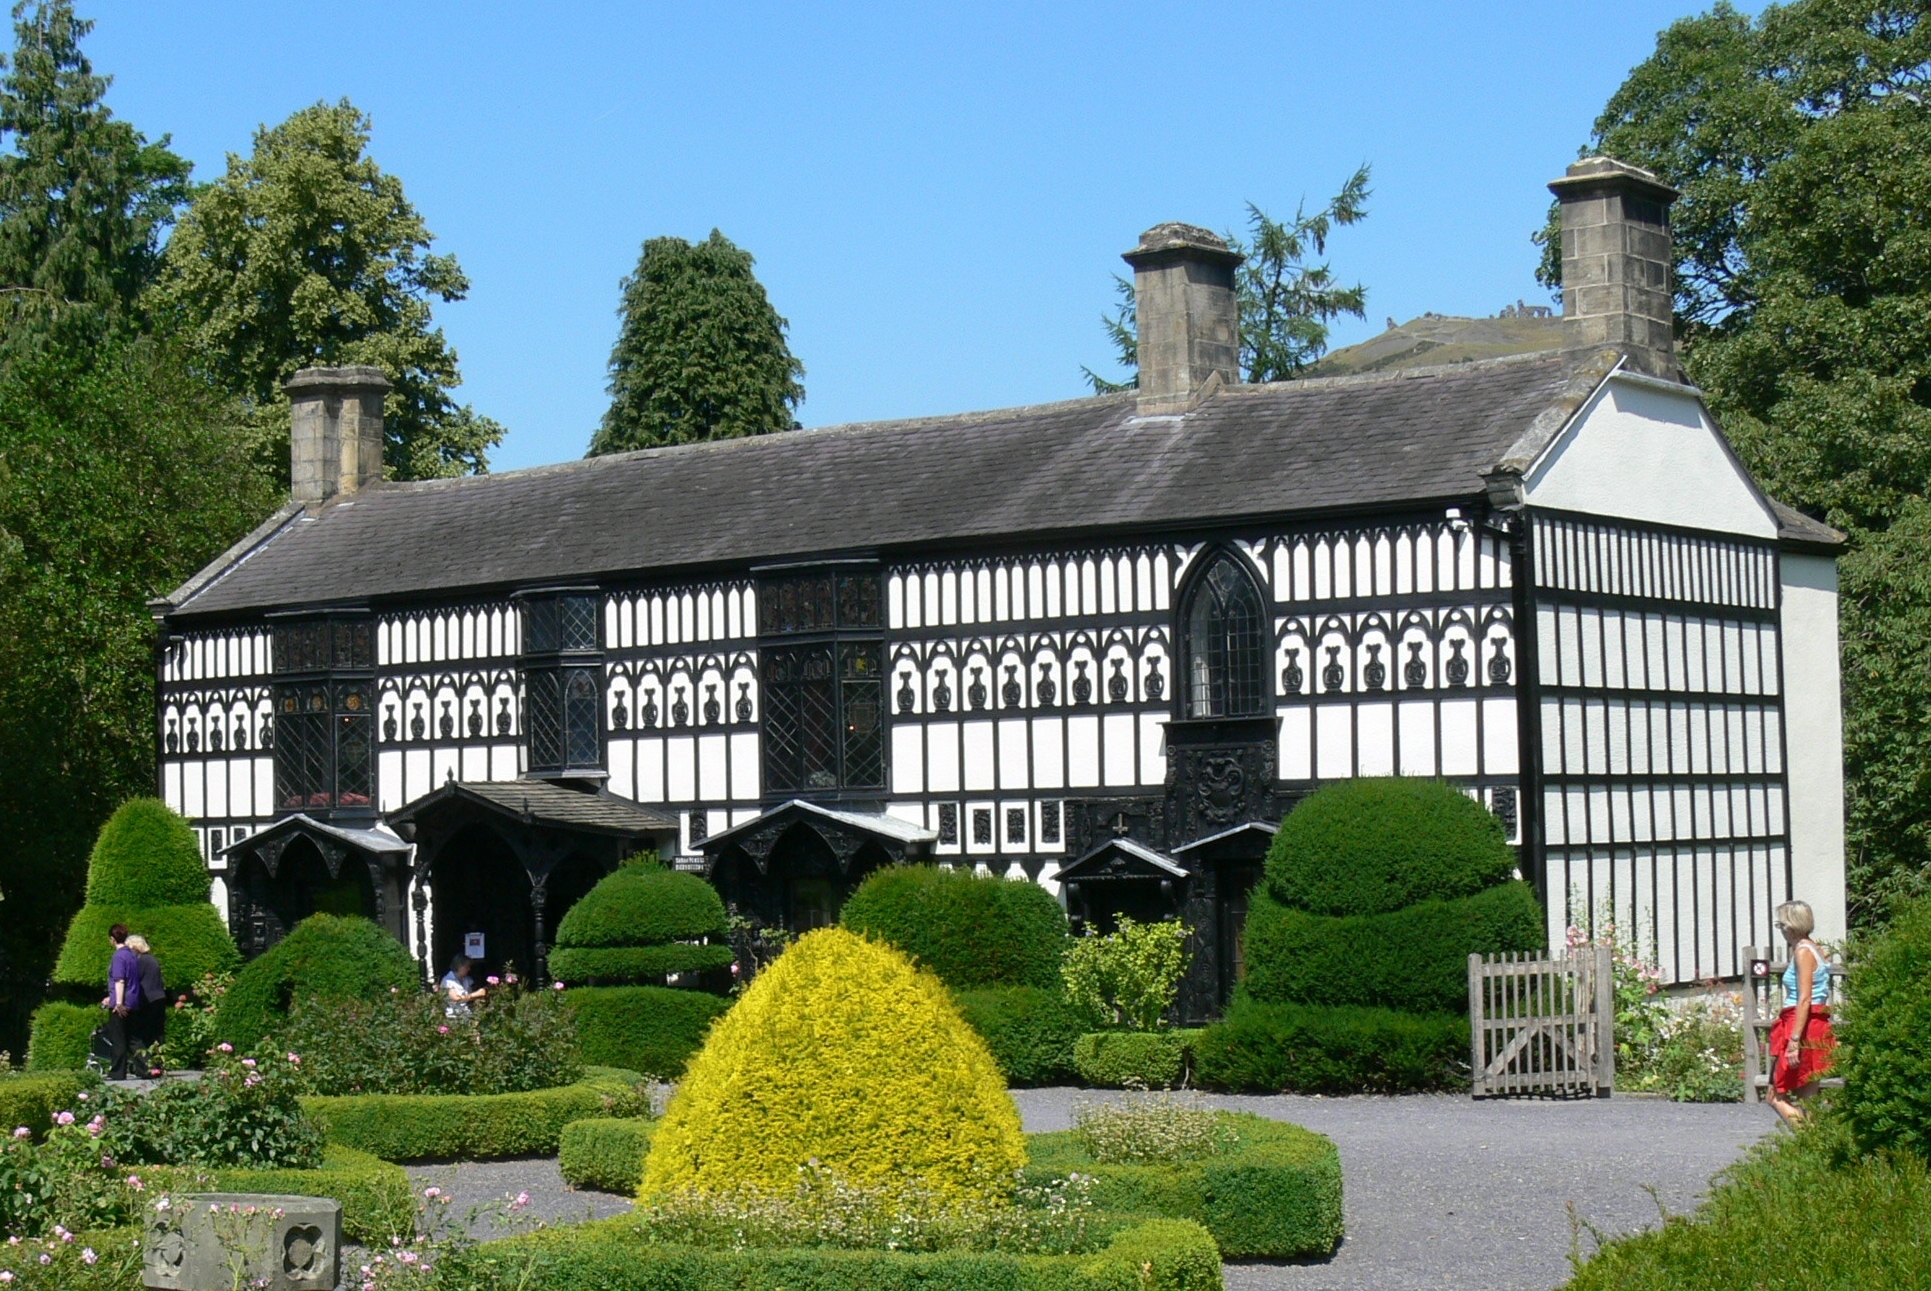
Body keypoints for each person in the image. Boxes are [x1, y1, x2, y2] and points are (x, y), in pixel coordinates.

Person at [1766, 900, 1836, 1126]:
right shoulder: (1816, 949)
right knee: (1809, 1098)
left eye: (1782, 925)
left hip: (1801, 1025)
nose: (1782, 931)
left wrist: (1794, 1040)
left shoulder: (1803, 952)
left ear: (1793, 925)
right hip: (1814, 1024)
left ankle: (1810, 1144)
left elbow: (1804, 999)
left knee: (1776, 1096)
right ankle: (1817, 1147)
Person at [99, 924, 143, 1080]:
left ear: (112, 939)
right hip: (134, 1001)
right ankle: (146, 1068)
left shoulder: (118, 956)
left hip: (122, 1003)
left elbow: (120, 980)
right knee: (134, 1039)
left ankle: (118, 1072)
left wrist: (118, 1003)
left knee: (118, 1039)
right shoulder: (132, 955)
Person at [125, 935, 168, 1076]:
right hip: (159, 998)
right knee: (156, 1034)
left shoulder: (141, 961)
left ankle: (147, 1067)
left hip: (147, 1001)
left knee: (139, 1036)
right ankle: (158, 1065)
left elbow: (134, 981)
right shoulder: (152, 960)